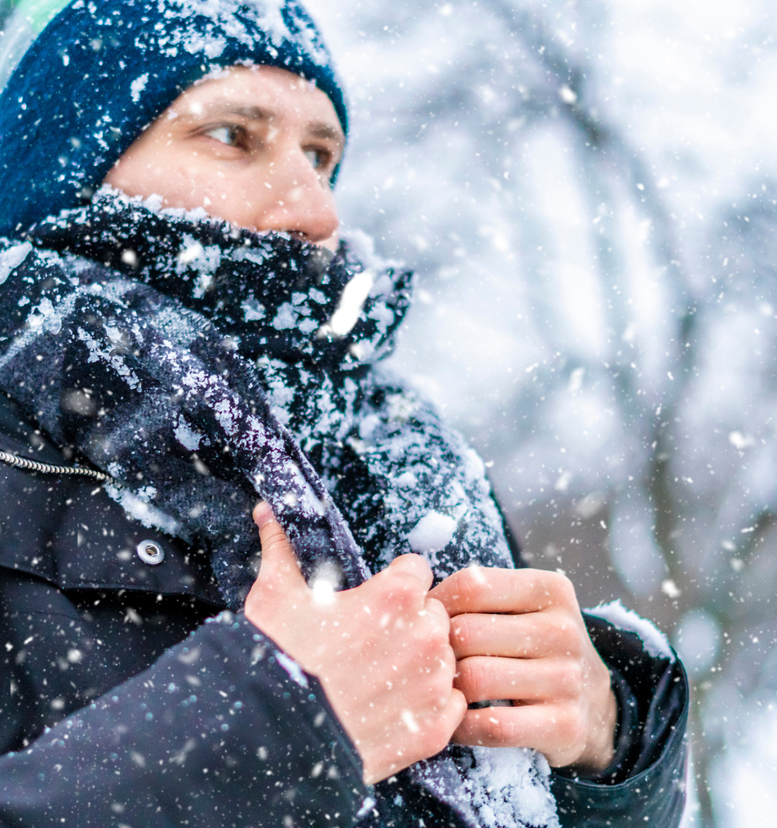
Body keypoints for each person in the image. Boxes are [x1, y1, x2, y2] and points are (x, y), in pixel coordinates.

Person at [0, 0, 688, 825]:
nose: (317, 212)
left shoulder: (393, 448)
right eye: (232, 135)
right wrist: (280, 727)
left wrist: (607, 742)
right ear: (64, 163)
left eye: (322, 156)